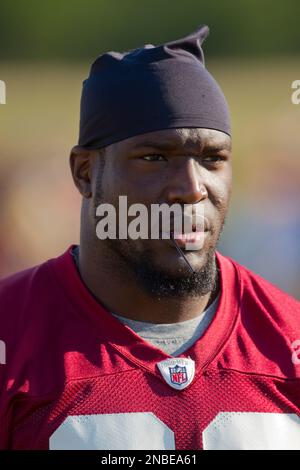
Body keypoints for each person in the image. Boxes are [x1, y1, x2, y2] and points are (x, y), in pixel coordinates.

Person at [0, 25, 299, 450]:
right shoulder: (12, 336)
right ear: (86, 173)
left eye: (212, 159)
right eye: (155, 157)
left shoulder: (288, 341)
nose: (191, 187)